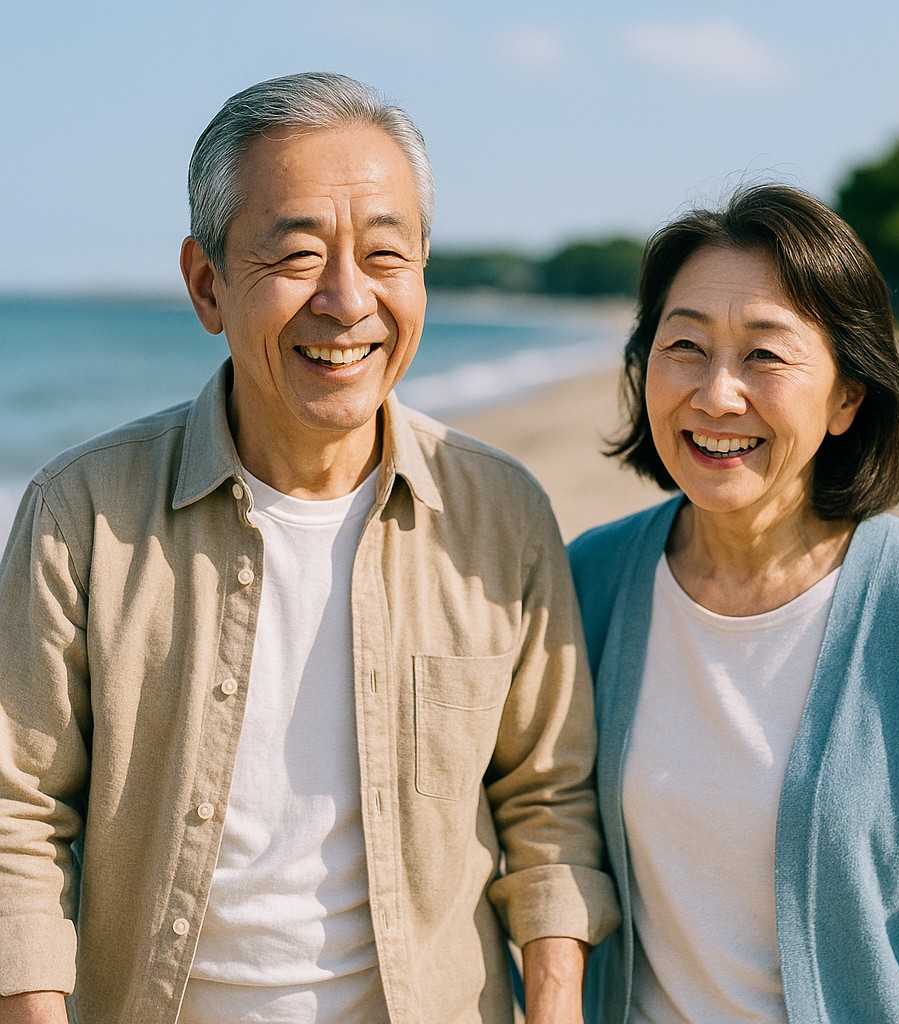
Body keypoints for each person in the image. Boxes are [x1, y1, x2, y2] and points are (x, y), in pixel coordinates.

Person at [0, 72, 619, 1024]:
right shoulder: (80, 516)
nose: (345, 300)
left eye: (384, 254)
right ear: (207, 286)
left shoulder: (502, 515)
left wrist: (556, 1005)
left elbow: (549, 804)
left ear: (420, 272)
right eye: (296, 256)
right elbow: (18, 812)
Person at [568, 183, 899, 1023]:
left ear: (848, 395)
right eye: (685, 346)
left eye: (765, 356)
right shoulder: (590, 581)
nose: (716, 395)